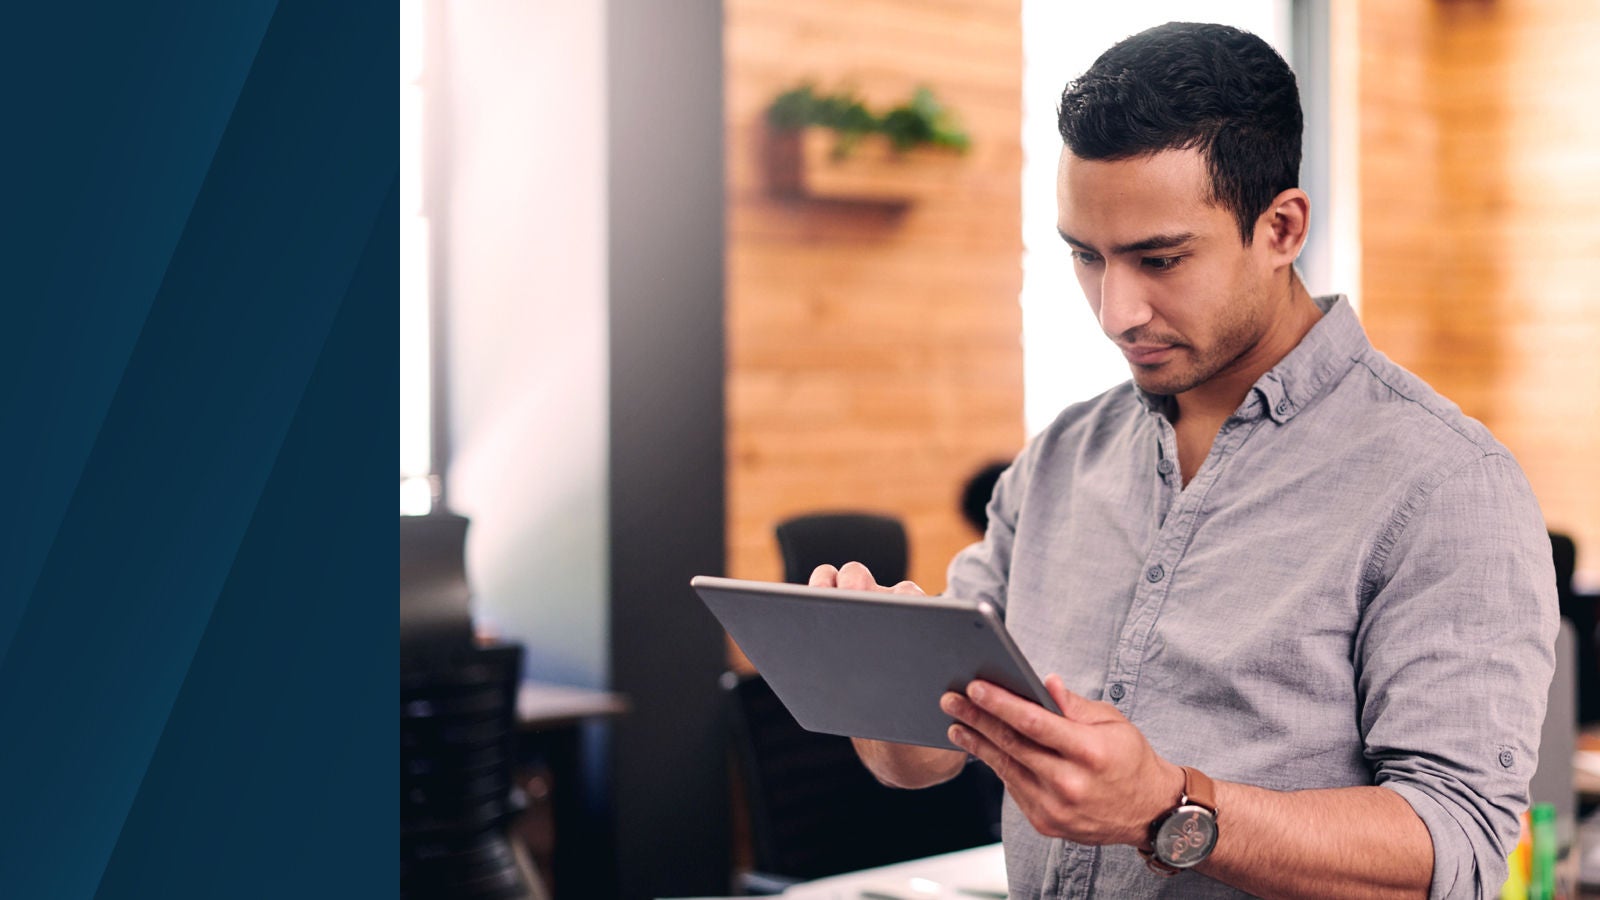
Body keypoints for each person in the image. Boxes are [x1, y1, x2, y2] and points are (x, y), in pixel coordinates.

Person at [809, 21, 1556, 900]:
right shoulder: (1059, 461)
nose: (1116, 310)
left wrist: (1168, 811)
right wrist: (878, 689)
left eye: (1159, 259)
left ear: (1280, 228)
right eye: (1085, 256)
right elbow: (922, 763)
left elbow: (1457, 850)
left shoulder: (1444, 485)